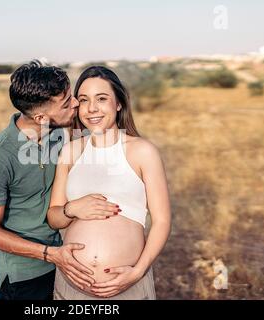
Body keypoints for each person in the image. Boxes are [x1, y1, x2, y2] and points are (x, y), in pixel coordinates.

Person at [0, 61, 118, 300]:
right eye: (66, 103)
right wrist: (51, 254)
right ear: (41, 117)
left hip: (68, 263)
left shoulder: (59, 133)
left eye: (72, 96)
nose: (75, 104)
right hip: (24, 279)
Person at [47, 66, 172, 299]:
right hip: (71, 286)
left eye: (101, 99)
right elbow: (54, 218)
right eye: (83, 100)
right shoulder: (70, 152)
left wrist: (137, 272)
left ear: (118, 103)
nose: (92, 108)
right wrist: (72, 208)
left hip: (127, 286)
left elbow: (163, 220)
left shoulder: (142, 151)